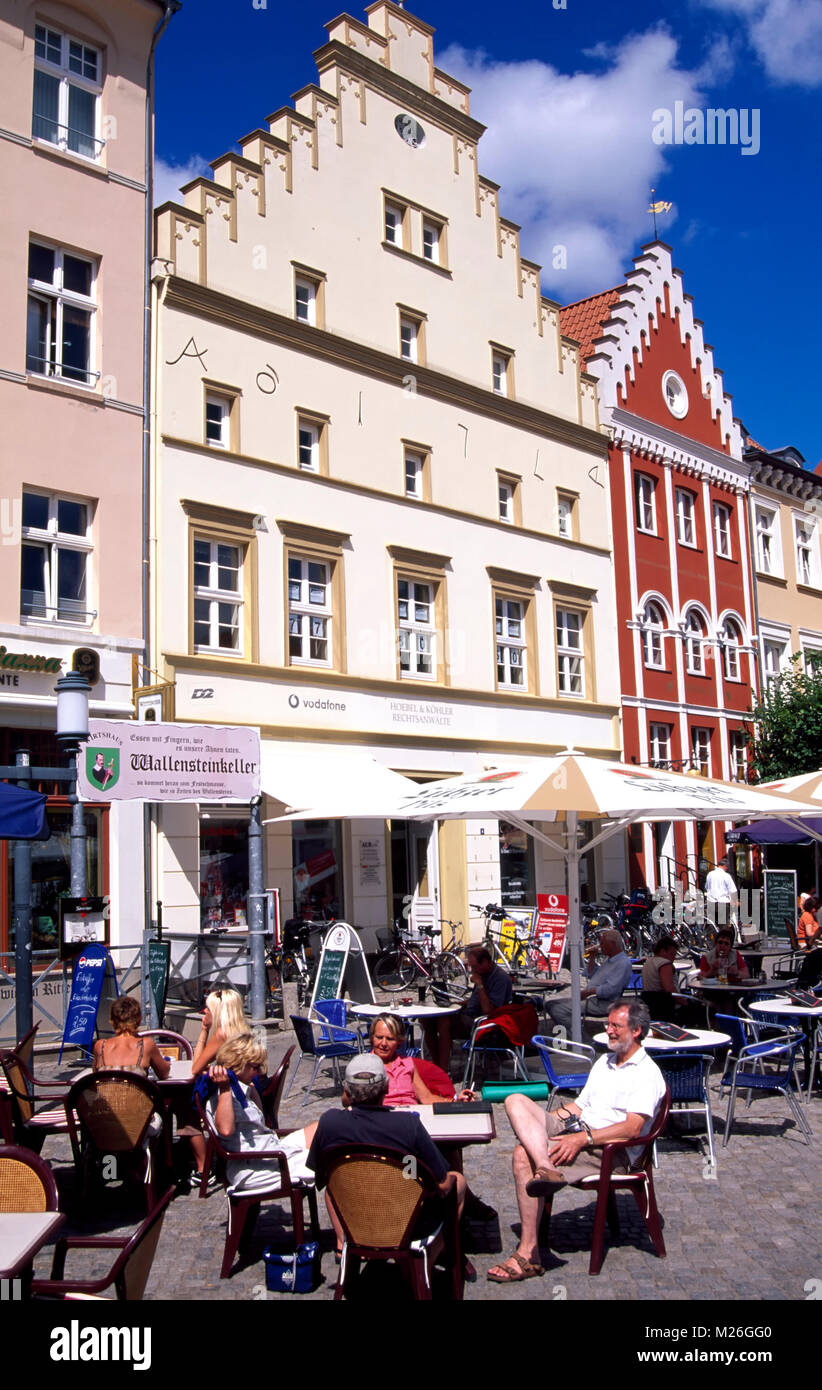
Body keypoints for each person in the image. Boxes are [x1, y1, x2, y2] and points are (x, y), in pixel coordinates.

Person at [486, 999, 666, 1283]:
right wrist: (545, 1122)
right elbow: (579, 1106)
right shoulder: (605, 1061)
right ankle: (547, 1166)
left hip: (609, 1150)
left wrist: (581, 1139)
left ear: (637, 1031)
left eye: (616, 1026)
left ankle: (529, 1252)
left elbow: (632, 1129)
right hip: (579, 1128)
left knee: (523, 1155)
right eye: (608, 1025)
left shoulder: (646, 1074)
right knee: (516, 1100)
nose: (608, 1031)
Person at [306, 1054, 466, 1255]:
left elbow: (320, 1174)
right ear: (386, 1088)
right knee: (457, 1180)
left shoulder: (330, 1123)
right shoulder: (408, 1124)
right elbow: (442, 1185)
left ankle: (345, 1246)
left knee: (333, 1181)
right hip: (405, 1220)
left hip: (354, 1217)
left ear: (346, 1089)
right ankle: (429, 1259)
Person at [206, 1032, 317, 1193]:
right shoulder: (224, 1094)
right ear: (238, 1065)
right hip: (255, 1166)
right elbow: (225, 1130)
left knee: (324, 1128)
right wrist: (224, 1090)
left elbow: (261, 1120)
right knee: (329, 1159)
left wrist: (251, 1088)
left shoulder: (242, 1089)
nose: (259, 1073)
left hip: (271, 1149)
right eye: (255, 1067)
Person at [188, 987, 251, 1188]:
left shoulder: (221, 1033)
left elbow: (196, 1067)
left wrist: (204, 1031)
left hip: (228, 1095)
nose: (204, 1013)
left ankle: (202, 1168)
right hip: (245, 1090)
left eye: (207, 1009)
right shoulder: (243, 1030)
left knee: (186, 1114)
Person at [423, 944, 513, 1072]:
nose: (472, 970)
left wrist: (480, 985)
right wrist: (458, 1004)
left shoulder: (500, 979)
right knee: (427, 1020)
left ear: (486, 962)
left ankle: (443, 1069)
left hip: (484, 1023)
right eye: (471, 966)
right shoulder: (481, 973)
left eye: (475, 966)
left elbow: (489, 1010)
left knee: (444, 1021)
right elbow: (475, 1001)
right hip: (469, 1014)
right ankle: (436, 1065)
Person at [369, 1013, 474, 1106]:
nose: (383, 1044)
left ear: (399, 1041)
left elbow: (426, 1098)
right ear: (372, 1038)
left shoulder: (407, 1064)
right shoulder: (364, 1066)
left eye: (390, 1039)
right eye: (379, 1037)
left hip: (411, 1117)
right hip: (383, 1117)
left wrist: (455, 1101)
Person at [545, 929, 633, 1033]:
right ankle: (571, 1032)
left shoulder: (622, 963)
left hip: (604, 1002)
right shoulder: (610, 960)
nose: (600, 946)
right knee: (550, 1004)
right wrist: (592, 957)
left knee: (558, 1009)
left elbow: (611, 989)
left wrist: (589, 992)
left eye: (602, 943)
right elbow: (591, 974)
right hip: (594, 999)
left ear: (612, 944)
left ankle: (579, 1036)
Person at [92, 996, 170, 1079]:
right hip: (137, 1092)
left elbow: (95, 1075)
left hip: (106, 1091)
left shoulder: (100, 1046)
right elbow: (164, 1074)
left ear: (112, 1020)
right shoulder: (146, 1044)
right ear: (139, 1019)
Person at [640, 935, 678, 1022]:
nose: (674, 958)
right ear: (662, 951)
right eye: (672, 954)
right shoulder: (664, 964)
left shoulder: (648, 962)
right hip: (665, 1006)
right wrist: (684, 1001)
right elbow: (669, 988)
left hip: (649, 1003)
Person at [705, 856, 737, 929]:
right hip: (723, 902)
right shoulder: (726, 875)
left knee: (711, 925)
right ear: (725, 866)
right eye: (727, 867)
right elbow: (732, 890)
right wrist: (733, 901)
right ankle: (723, 938)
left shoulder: (710, 874)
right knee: (723, 925)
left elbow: (707, 887)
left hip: (711, 902)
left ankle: (711, 938)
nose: (727, 869)